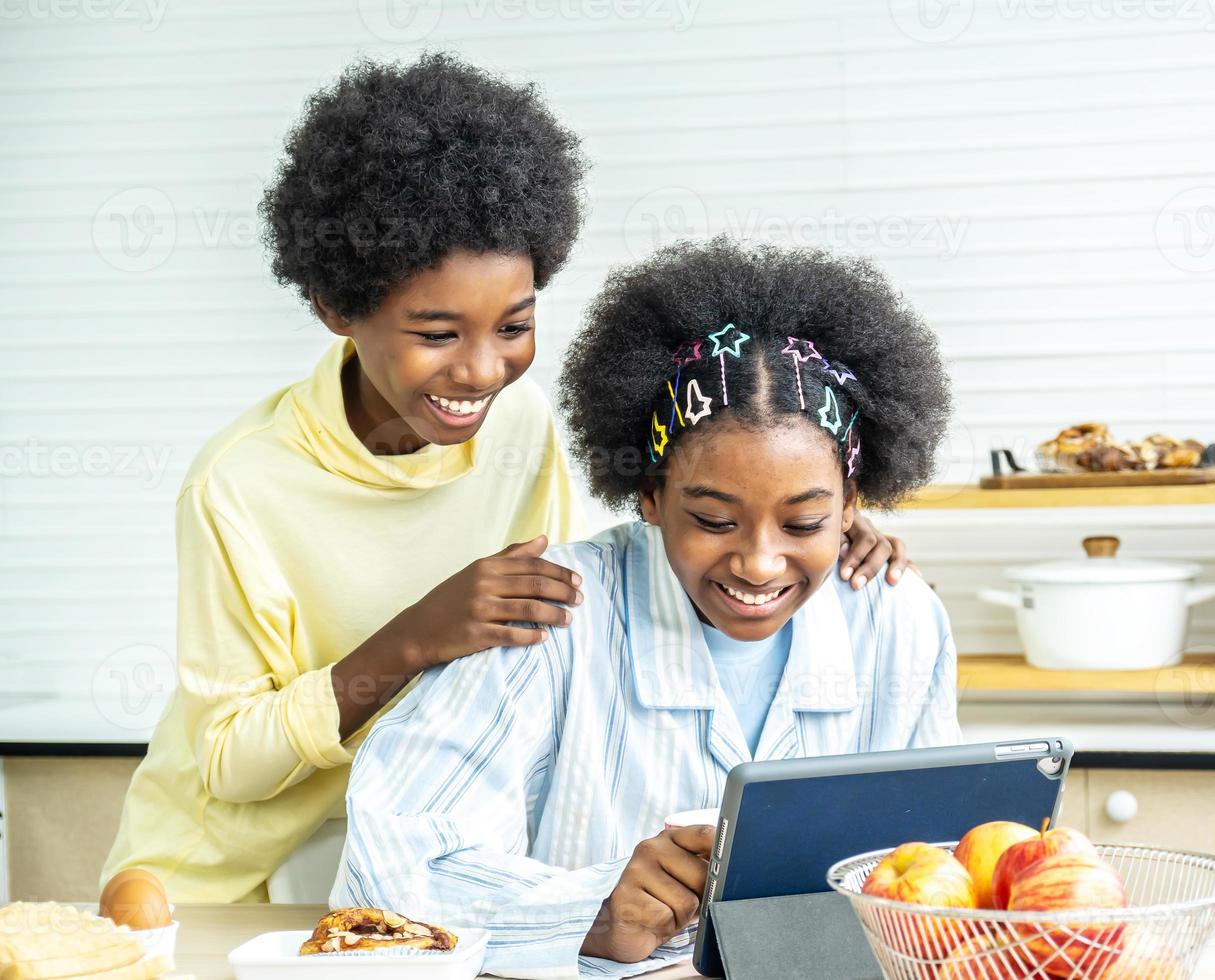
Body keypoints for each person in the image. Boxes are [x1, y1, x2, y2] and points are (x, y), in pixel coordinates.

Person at [101, 54, 908, 904]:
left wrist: (804, 527)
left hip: (414, 855)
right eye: (437, 332)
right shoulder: (239, 485)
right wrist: (413, 639)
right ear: (338, 308)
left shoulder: (516, 426)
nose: (484, 371)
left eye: (515, 324)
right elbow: (226, 764)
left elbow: (616, 568)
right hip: (225, 884)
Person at [334, 238, 962, 977]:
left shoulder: (896, 616)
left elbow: (949, 880)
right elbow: (384, 870)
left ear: (853, 506)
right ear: (650, 495)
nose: (759, 563)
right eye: (714, 521)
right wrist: (587, 912)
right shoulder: (550, 615)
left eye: (802, 523)